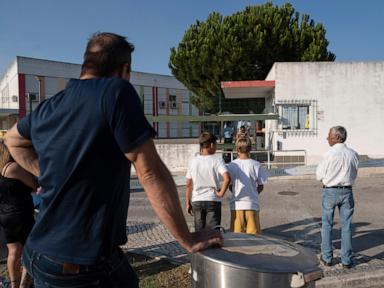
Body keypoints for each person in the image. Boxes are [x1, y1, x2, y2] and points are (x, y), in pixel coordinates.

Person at [4, 32, 223, 288]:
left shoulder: (50, 105)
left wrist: (44, 172)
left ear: (86, 64)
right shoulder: (116, 91)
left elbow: (12, 140)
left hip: (39, 253)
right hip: (81, 265)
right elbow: (150, 172)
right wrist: (187, 238)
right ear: (125, 69)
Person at [316, 126, 359, 269]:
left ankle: (327, 257)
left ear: (337, 138)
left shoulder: (328, 154)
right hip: (347, 191)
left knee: (327, 224)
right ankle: (346, 260)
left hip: (330, 191)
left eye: (329, 135)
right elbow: (354, 172)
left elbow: (319, 176)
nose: (327, 138)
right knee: (346, 226)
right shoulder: (353, 154)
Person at [0, 141, 37, 288]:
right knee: (31, 249)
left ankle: (14, 285)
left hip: (5, 215)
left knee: (13, 251)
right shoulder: (13, 167)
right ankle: (23, 285)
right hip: (20, 214)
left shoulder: (2, 169)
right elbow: (34, 184)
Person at [221, 137, 268, 234]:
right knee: (254, 238)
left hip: (236, 205)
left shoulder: (231, 165)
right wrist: (254, 192)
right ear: (250, 149)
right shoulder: (256, 165)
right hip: (252, 204)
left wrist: (234, 190)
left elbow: (230, 185)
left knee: (237, 237)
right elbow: (261, 185)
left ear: (237, 149)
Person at [186, 132, 231, 231]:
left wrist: (187, 203)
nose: (216, 147)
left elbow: (188, 184)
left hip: (197, 200)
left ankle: (201, 246)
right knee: (212, 233)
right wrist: (220, 193)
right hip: (212, 200)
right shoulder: (217, 160)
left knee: (199, 233)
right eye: (215, 145)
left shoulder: (192, 161)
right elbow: (227, 178)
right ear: (211, 145)